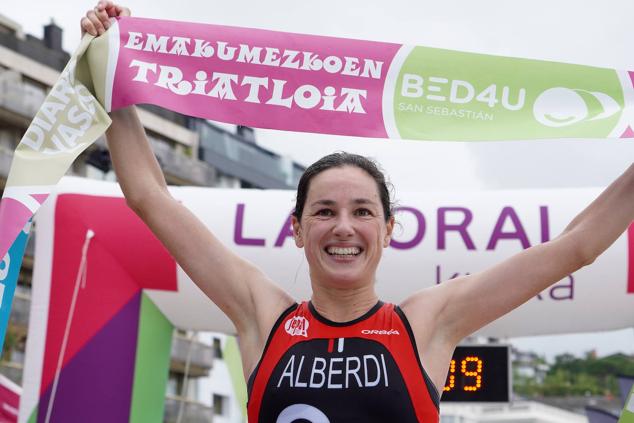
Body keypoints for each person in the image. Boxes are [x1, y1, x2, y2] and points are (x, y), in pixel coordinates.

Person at [82, 3, 634, 421]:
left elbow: (576, 248)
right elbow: (150, 198)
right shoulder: (263, 315)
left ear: (388, 230)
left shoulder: (426, 321)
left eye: (362, 211)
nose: (343, 226)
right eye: (324, 211)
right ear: (297, 229)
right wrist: (110, 73)